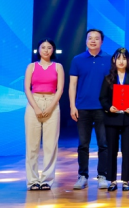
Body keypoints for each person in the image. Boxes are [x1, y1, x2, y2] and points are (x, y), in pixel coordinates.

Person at [69, 29, 111, 190]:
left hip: (102, 108)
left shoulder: (109, 59)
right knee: (83, 144)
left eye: (96, 38)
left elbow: (114, 84)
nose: (93, 41)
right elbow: (72, 85)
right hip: (82, 108)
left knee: (103, 144)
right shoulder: (77, 60)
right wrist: (73, 106)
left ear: (102, 41)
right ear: (86, 40)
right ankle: (83, 176)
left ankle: (102, 176)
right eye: (90, 38)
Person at [23, 39, 64, 190]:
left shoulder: (58, 67)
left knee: (50, 144)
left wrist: (51, 107)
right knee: (32, 145)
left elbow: (60, 89)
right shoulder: (31, 66)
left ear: (53, 50)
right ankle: (33, 180)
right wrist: (36, 107)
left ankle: (46, 179)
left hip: (52, 102)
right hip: (34, 102)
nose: (46, 50)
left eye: (49, 47)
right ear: (38, 49)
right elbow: (27, 88)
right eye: (43, 47)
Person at [98, 48, 129, 192]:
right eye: (118, 58)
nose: (121, 61)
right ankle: (112, 180)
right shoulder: (108, 78)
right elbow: (102, 98)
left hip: (128, 119)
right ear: (114, 60)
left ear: (128, 60)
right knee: (112, 150)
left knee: (127, 150)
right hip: (112, 118)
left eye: (124, 58)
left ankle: (126, 180)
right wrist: (109, 107)